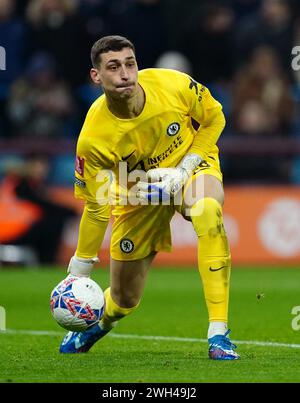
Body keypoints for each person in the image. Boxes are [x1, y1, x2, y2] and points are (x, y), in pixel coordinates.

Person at [59, 35, 239, 360]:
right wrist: (78, 274)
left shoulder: (172, 84)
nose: (125, 73)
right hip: (136, 192)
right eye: (113, 67)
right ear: (96, 76)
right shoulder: (93, 139)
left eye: (130, 63)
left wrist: (184, 170)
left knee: (208, 210)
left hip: (189, 165)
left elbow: (215, 118)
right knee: (126, 299)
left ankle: (219, 333)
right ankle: (100, 323)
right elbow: (97, 208)